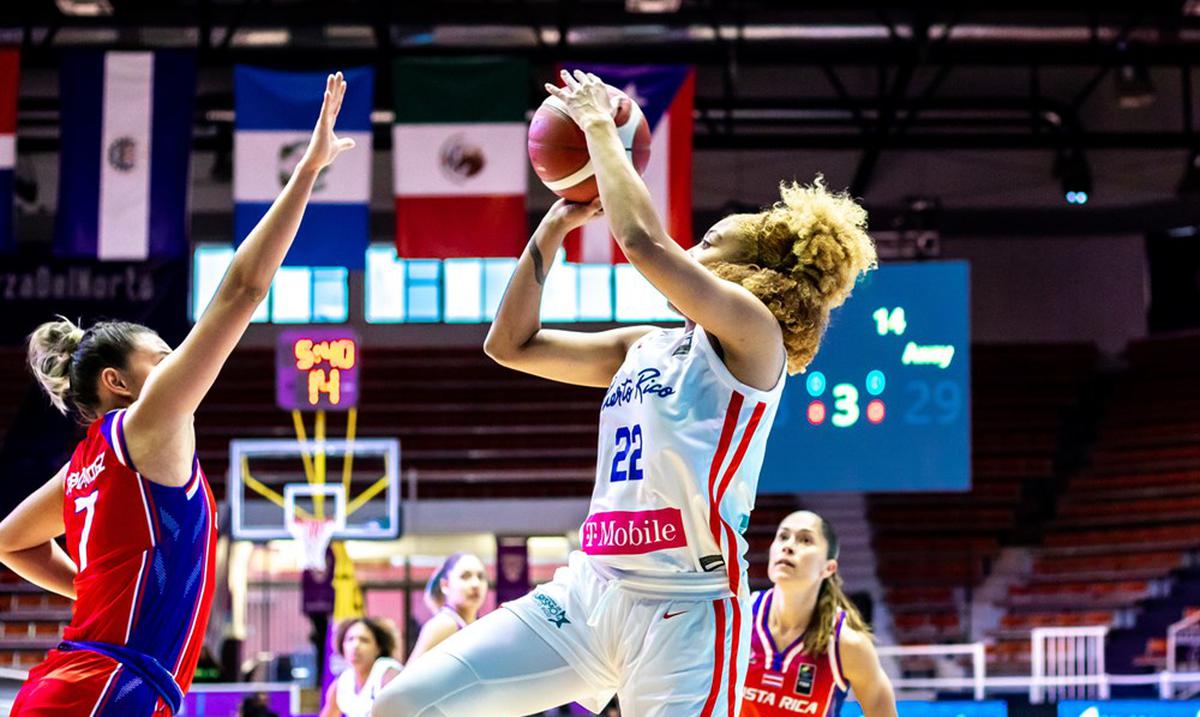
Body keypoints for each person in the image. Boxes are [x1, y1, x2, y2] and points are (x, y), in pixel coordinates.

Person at [374, 69, 876, 717]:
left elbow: (642, 241)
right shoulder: (643, 344)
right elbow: (510, 344)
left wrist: (601, 131)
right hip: (588, 591)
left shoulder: (756, 340)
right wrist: (549, 233)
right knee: (404, 703)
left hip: (687, 610)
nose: (691, 249)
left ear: (751, 275)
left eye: (709, 242)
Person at [0, 72, 357, 717]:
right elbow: (244, 289)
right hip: (108, 687)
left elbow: (10, 541)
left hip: (84, 682)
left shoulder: (85, 464)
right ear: (119, 382)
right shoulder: (147, 420)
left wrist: (85, 588)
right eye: (163, 357)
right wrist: (308, 169)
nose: (176, 364)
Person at [744, 511, 896, 717]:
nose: (788, 546)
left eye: (805, 540)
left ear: (828, 567)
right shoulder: (738, 616)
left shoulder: (847, 644)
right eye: (783, 536)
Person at [407, 553, 489, 663]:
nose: (475, 584)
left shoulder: (474, 625)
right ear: (445, 585)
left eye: (481, 577)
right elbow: (410, 677)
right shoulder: (445, 624)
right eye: (465, 576)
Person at [320, 618, 403, 717]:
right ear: (342, 646)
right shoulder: (342, 683)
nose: (355, 645)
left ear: (378, 648)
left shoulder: (388, 673)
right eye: (350, 639)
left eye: (364, 640)